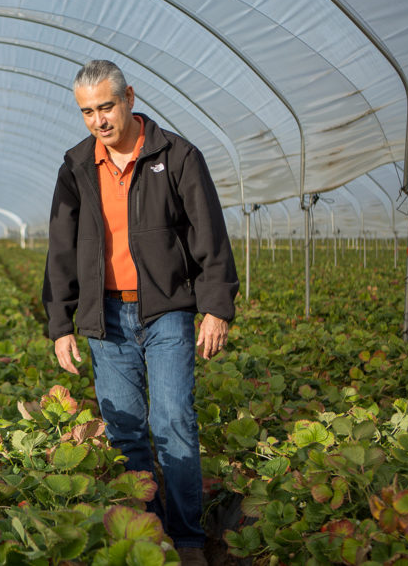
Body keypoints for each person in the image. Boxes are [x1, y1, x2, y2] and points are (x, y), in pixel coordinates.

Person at [42, 60, 239, 565]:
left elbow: (209, 235)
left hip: (167, 310)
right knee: (125, 426)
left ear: (129, 97)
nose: (98, 120)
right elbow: (61, 248)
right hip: (104, 317)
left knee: (173, 420)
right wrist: (60, 323)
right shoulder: (77, 165)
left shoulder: (176, 156)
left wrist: (216, 308)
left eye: (106, 106)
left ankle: (189, 537)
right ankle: (143, 531)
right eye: (87, 111)